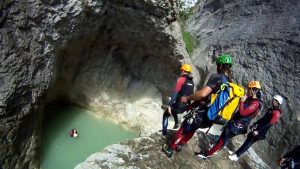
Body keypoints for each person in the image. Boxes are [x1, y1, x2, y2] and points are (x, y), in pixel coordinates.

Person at [162, 54, 234, 157]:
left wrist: (187, 98)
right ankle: (180, 145)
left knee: (184, 129)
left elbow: (203, 94)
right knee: (193, 128)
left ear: (221, 66)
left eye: (218, 64)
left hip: (203, 111)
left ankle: (170, 149)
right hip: (212, 115)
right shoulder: (229, 82)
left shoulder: (217, 77)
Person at [196, 81, 262, 159]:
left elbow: (242, 113)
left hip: (237, 126)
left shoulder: (255, 104)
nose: (247, 91)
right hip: (236, 123)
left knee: (222, 139)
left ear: (254, 90)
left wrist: (241, 102)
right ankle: (213, 150)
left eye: (249, 89)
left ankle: (207, 154)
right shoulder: (251, 100)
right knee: (223, 139)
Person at [227, 95, 284, 161]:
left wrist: (258, 131)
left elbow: (269, 124)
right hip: (258, 128)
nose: (273, 101)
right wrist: (255, 124)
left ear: (278, 103)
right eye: (273, 99)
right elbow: (263, 119)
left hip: (261, 131)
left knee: (249, 143)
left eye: (275, 101)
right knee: (248, 140)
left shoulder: (276, 113)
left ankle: (236, 156)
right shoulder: (271, 109)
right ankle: (236, 153)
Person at [162, 63, 194, 136]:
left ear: (183, 70)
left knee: (165, 115)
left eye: (181, 70)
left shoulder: (181, 79)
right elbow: (191, 95)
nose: (181, 72)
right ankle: (177, 123)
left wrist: (169, 106)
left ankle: (164, 133)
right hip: (186, 107)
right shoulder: (192, 82)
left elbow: (175, 93)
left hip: (179, 105)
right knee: (175, 108)